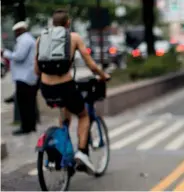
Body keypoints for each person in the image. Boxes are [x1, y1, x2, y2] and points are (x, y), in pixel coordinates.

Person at [34, 9, 110, 173]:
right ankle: (82, 153)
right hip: (65, 86)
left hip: (46, 89)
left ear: (53, 23)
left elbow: (36, 70)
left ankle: (64, 149)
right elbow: (90, 64)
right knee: (83, 115)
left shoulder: (41, 39)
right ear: (68, 23)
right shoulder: (73, 37)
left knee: (64, 111)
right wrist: (103, 75)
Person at [2, 21, 38, 135]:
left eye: (16, 31)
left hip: (24, 77)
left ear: (20, 30)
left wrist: (5, 53)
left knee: (24, 104)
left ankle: (26, 127)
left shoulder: (24, 40)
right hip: (28, 76)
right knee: (29, 103)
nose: (15, 33)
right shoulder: (29, 39)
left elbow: (18, 56)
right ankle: (31, 125)